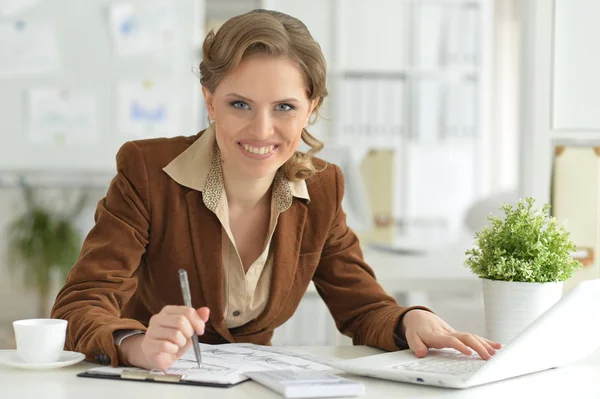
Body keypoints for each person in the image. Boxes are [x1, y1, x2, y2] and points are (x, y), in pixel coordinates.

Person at [51, 9, 501, 371]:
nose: (262, 130)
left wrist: (410, 319)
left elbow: (363, 308)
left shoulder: (323, 188)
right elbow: (78, 306)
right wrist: (134, 344)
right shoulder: (148, 171)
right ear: (210, 101)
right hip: (149, 385)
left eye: (284, 106)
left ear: (311, 109)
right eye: (239, 104)